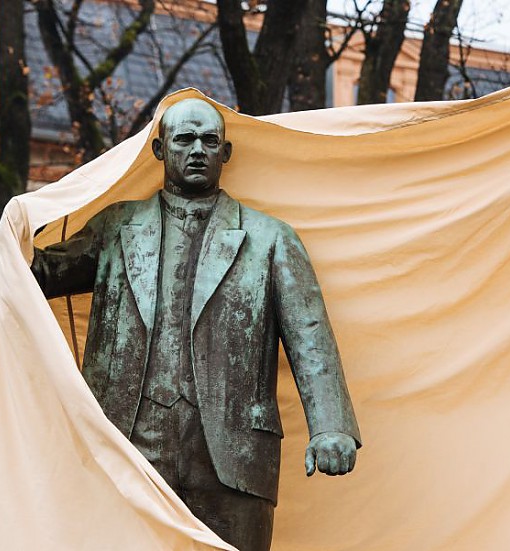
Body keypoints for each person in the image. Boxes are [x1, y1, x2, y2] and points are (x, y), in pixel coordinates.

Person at [31, 98, 361, 551]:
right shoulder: (115, 227)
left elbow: (311, 337)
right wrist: (15, 217)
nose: (197, 150)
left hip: (234, 451)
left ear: (225, 153)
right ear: (160, 150)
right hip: (126, 442)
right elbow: (38, 276)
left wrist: (331, 427)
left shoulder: (270, 239)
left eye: (210, 141)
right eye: (184, 139)